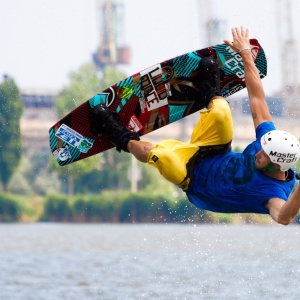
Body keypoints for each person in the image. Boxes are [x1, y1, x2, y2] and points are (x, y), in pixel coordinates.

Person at [91, 26, 300, 225]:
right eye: (261, 149)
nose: (257, 153)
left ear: (277, 166)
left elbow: (283, 217)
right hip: (215, 151)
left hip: (193, 181)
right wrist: (245, 54)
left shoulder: (273, 194)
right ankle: (208, 89)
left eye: (263, 156)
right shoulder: (271, 142)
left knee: (157, 154)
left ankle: (115, 133)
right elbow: (257, 98)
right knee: (221, 112)